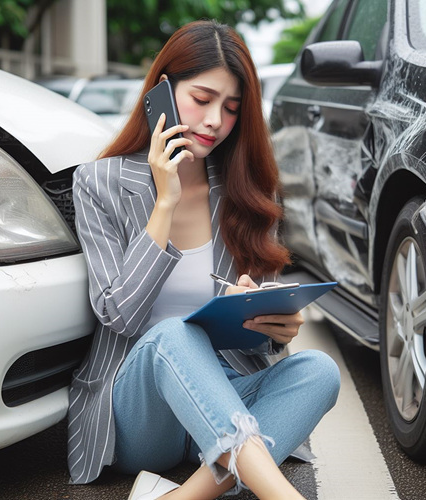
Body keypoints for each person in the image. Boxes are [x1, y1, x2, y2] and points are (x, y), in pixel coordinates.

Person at [68, 19, 340, 500]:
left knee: (319, 370)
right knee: (173, 334)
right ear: (163, 93)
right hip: (139, 413)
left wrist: (275, 328)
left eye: (232, 108)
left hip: (218, 401)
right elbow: (119, 315)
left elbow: (260, 350)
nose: (215, 120)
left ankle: (187, 496)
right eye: (202, 99)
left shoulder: (248, 192)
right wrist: (165, 203)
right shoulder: (99, 182)